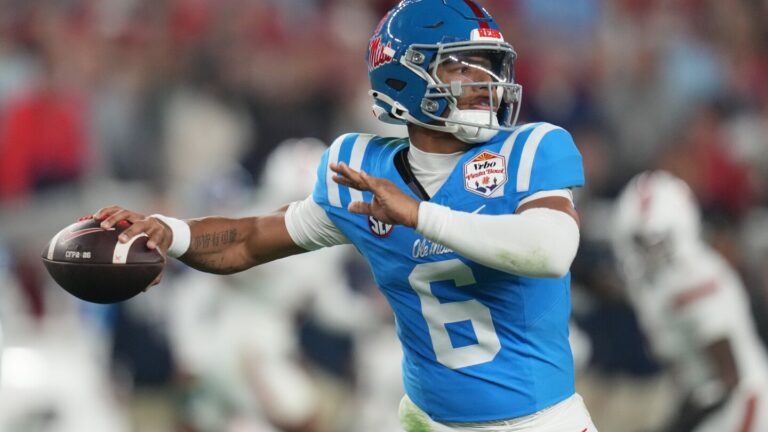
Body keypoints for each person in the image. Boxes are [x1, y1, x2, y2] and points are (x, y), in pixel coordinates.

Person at [95, 1, 597, 430]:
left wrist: (421, 215)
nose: (486, 83)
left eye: (489, 66)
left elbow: (552, 249)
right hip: (429, 422)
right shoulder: (362, 171)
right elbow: (247, 240)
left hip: (541, 423)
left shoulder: (532, 148)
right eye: (462, 67)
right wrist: (171, 233)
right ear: (403, 77)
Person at [612, 170, 768, 432]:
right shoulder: (659, 279)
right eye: (640, 241)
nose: (648, 252)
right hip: (706, 402)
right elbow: (624, 290)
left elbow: (728, 379)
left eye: (657, 242)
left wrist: (675, 426)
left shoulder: (696, 280)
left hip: (740, 409)